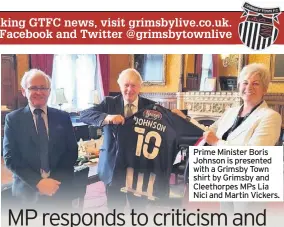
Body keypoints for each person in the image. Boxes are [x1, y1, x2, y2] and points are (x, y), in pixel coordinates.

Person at [172, 63, 282, 213]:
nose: (249, 87)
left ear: (265, 89)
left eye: (256, 83)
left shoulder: (271, 116)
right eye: (245, 82)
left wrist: (217, 143)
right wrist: (185, 119)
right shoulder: (231, 112)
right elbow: (208, 132)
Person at [3, 69, 78, 212]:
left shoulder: (63, 117)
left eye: (43, 88)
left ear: (49, 91)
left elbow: (71, 152)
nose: (39, 92)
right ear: (24, 91)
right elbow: (10, 157)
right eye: (33, 88)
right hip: (27, 192)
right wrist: (38, 183)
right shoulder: (13, 119)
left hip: (60, 190)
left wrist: (52, 183)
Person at [80, 68, 155, 208]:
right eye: (126, 85)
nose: (129, 89)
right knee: (115, 210)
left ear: (140, 86)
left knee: (139, 210)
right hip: (113, 167)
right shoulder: (109, 103)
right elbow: (84, 114)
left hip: (139, 168)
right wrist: (107, 118)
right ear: (120, 86)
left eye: (133, 85)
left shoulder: (150, 106)